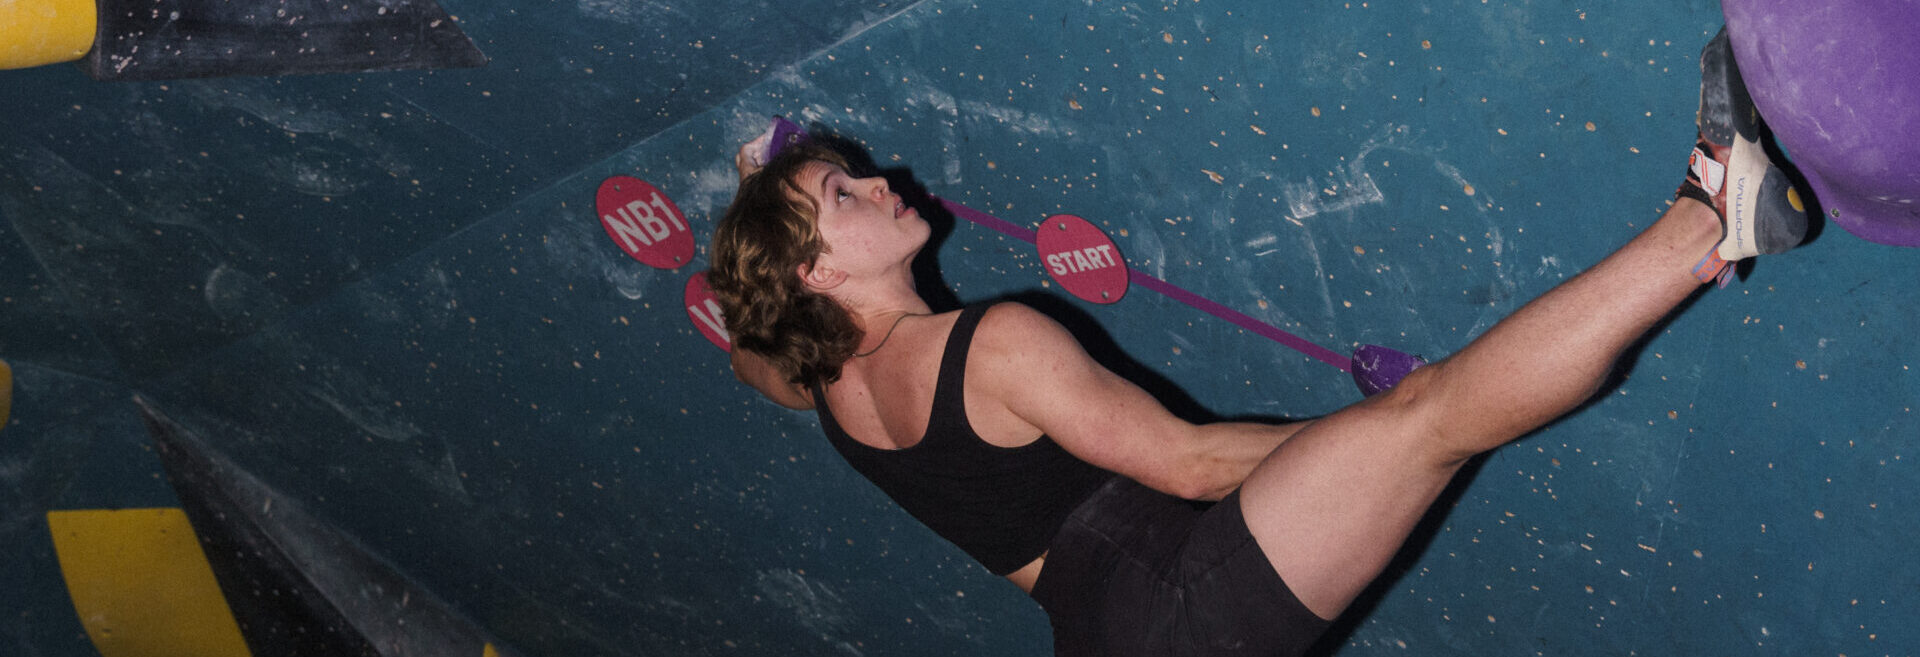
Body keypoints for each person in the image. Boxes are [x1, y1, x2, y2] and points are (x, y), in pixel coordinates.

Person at [706, 30, 1805, 657]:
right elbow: (1188, 465)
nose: (881, 183)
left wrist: (770, 194)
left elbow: (753, 350)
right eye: (845, 195)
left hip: (1116, 629)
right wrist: (1366, 436)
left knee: (1426, 424)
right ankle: (1712, 215)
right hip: (1172, 600)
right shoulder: (990, 346)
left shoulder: (830, 396)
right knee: (1433, 417)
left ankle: (1710, 228)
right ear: (815, 273)